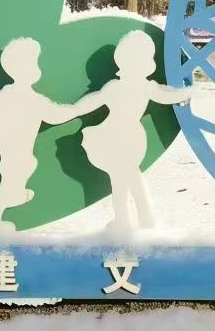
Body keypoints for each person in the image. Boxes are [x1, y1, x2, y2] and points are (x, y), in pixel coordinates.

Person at [75, 29, 191, 232]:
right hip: (126, 136)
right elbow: (166, 96)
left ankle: (126, 221)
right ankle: (142, 219)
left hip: (119, 136)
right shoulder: (139, 86)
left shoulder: (120, 86)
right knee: (131, 177)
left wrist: (70, 110)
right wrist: (185, 93)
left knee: (121, 180)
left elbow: (91, 101)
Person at [0, 37, 85, 233]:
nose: (34, 67)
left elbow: (55, 114)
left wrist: (76, 110)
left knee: (24, 170)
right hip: (12, 151)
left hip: (21, 153)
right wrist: (77, 110)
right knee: (8, 184)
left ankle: (14, 197)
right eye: (31, 63)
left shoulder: (20, 97)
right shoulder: (16, 97)